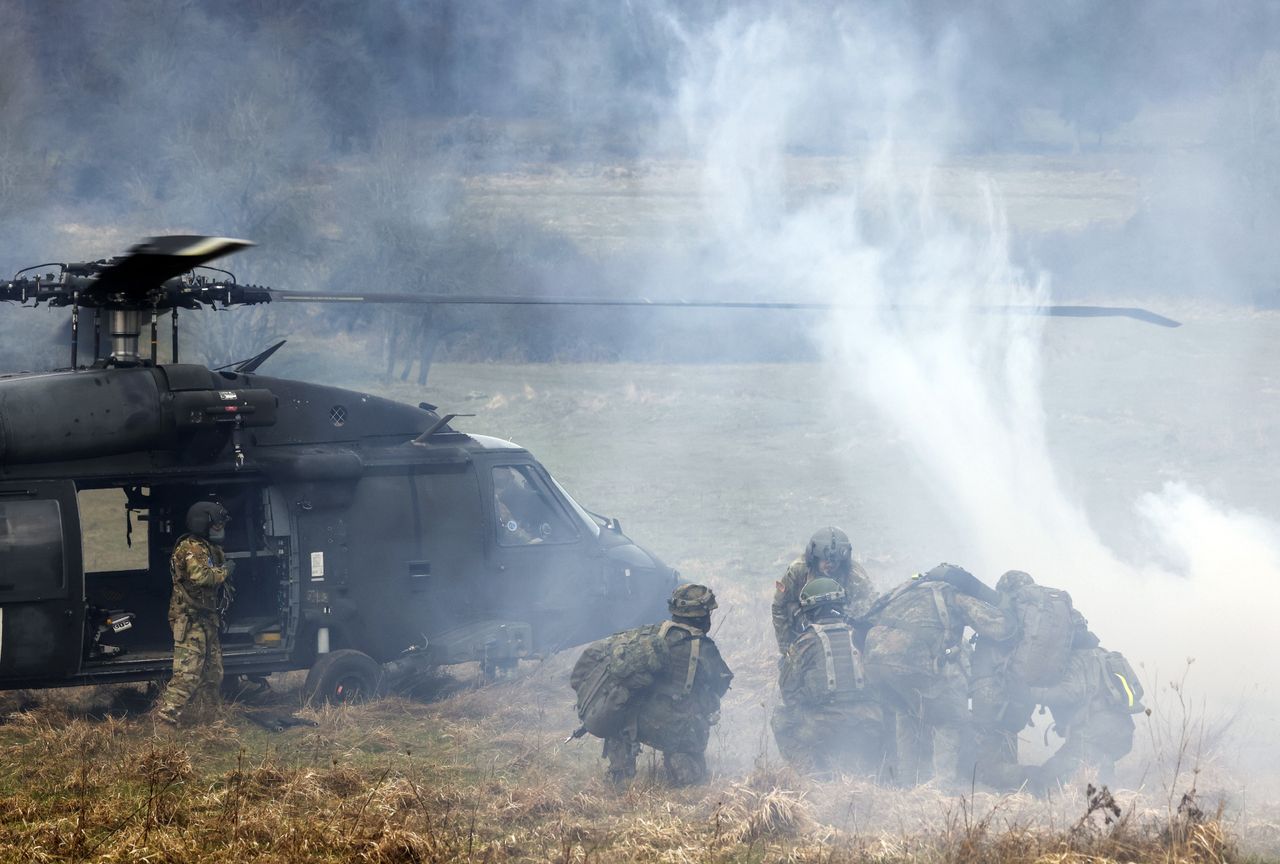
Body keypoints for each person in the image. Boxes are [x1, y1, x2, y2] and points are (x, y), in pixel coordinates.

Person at [861, 564, 1017, 788]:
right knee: (950, 719)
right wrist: (1012, 615)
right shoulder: (953, 596)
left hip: (874, 664)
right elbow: (1000, 628)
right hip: (913, 665)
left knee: (906, 713)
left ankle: (907, 782)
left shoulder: (907, 590)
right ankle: (942, 788)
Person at [571, 583, 734, 786]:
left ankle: (619, 772)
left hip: (634, 720)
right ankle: (682, 770)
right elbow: (720, 683)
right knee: (695, 778)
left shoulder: (650, 634)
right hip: (672, 727)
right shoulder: (703, 647)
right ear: (702, 616)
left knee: (623, 703)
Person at [772, 578, 885, 776]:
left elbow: (788, 692)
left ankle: (808, 774)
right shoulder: (861, 636)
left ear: (809, 610)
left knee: (781, 718)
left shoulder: (805, 642)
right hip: (870, 722)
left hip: (824, 726)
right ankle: (875, 771)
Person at [1024, 645, 1143, 794]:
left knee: (1047, 776)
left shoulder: (1076, 658)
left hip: (1093, 734)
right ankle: (1107, 784)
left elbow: (1070, 693)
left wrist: (1030, 694)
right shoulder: (1103, 655)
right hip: (1123, 731)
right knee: (1097, 762)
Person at [155, 501, 233, 726]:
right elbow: (203, 579)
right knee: (187, 674)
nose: (220, 530)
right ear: (203, 524)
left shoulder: (207, 547)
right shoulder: (190, 548)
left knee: (212, 672)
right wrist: (226, 570)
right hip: (190, 620)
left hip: (207, 618)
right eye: (217, 525)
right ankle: (165, 721)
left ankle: (209, 718)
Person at [772, 527, 875, 652]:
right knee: (790, 608)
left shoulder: (855, 576)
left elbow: (870, 609)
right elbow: (779, 607)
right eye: (825, 559)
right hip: (805, 622)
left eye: (835, 560)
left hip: (844, 625)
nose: (830, 564)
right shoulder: (798, 570)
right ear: (814, 558)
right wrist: (786, 648)